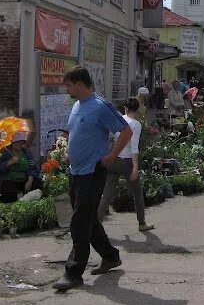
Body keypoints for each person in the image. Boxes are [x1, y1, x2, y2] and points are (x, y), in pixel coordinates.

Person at [54, 66, 132, 292]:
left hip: (93, 171)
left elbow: (125, 131)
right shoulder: (77, 105)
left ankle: (73, 273)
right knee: (88, 219)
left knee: (79, 222)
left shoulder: (100, 106)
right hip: (76, 171)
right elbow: (75, 132)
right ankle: (110, 256)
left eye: (68, 85)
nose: (66, 89)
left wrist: (112, 156)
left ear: (79, 83)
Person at [100, 97, 154, 232]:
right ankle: (142, 223)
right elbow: (134, 147)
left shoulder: (118, 120)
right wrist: (135, 167)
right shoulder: (135, 125)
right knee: (137, 193)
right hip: (127, 162)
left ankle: (95, 225)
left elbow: (111, 140)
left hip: (113, 160)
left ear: (125, 108)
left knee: (106, 195)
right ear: (136, 110)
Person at [0, 131, 41, 203]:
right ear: (12, 143)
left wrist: (29, 181)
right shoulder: (2, 152)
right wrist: (9, 163)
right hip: (8, 180)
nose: (19, 145)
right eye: (17, 142)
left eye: (21, 143)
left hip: (24, 179)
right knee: (10, 193)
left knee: (37, 183)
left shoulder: (26, 152)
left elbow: (33, 167)